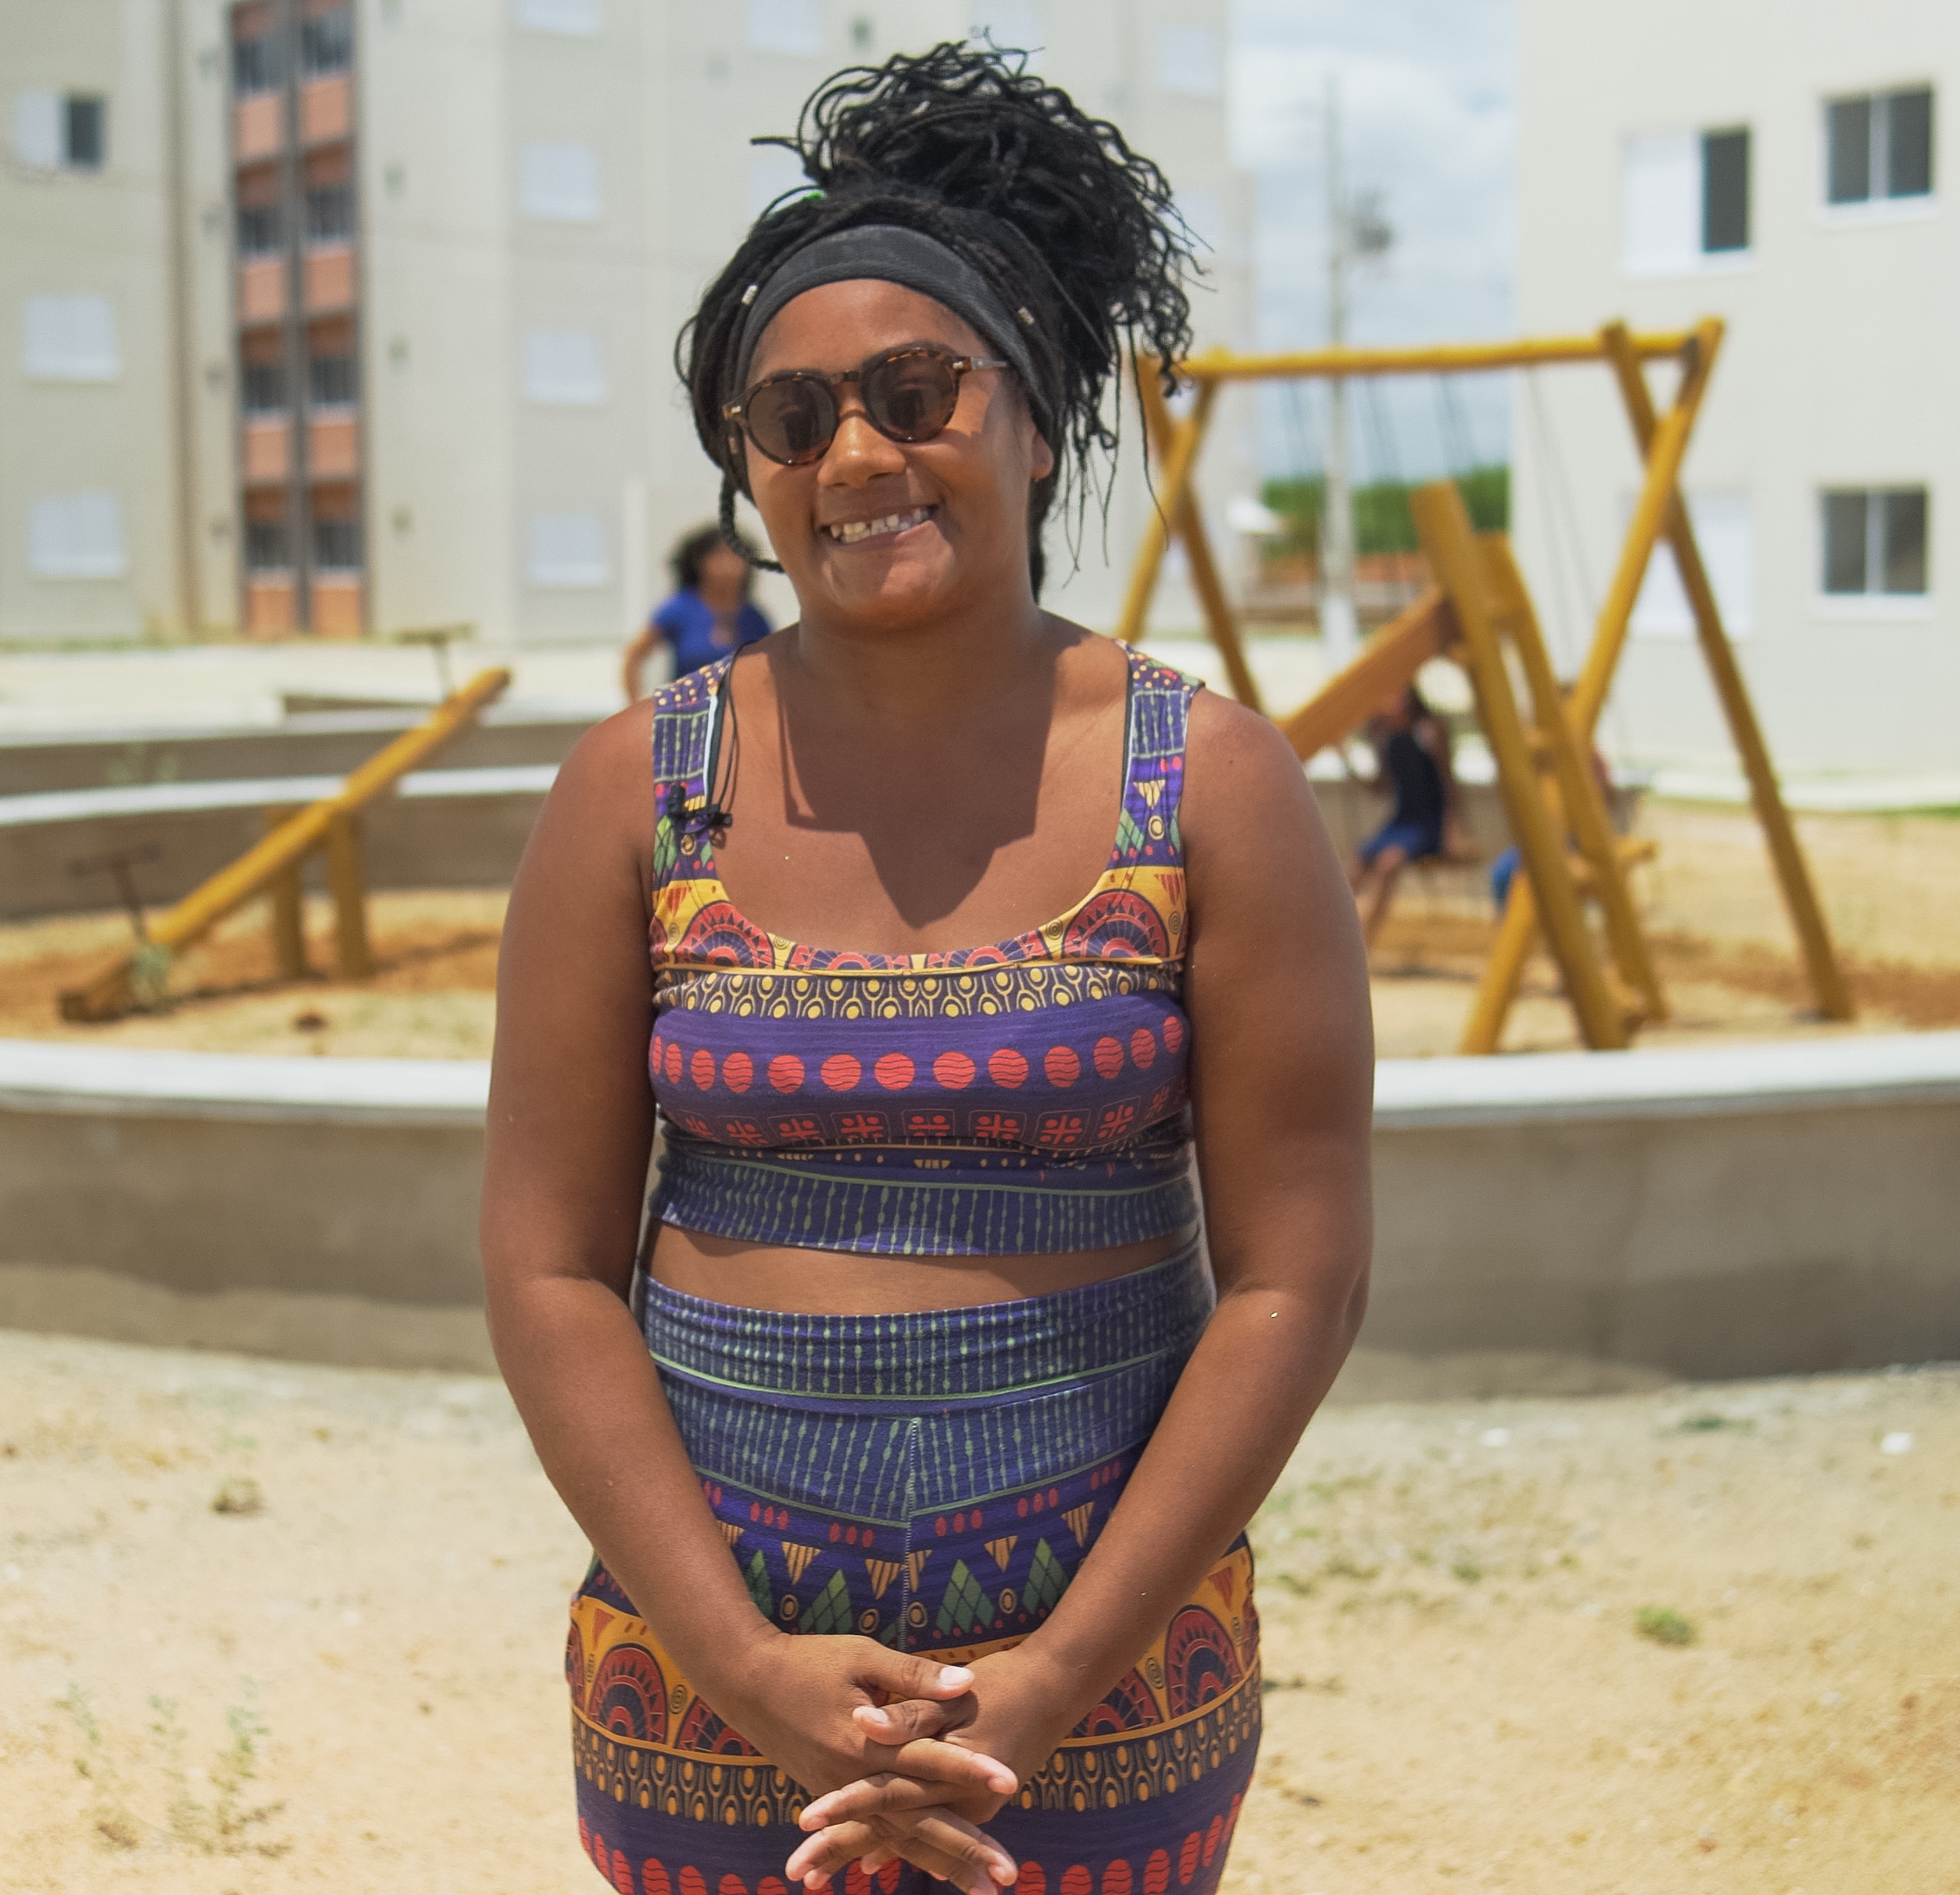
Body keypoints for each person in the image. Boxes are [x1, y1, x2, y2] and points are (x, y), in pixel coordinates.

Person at [481, 46, 1372, 1895]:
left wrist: (1051, 1678)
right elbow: (549, 1267)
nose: (858, 458)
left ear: (1036, 418)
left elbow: (1297, 1277)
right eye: (792, 417)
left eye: (915, 393)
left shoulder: (1207, 783)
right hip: (704, 1696)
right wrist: (743, 1663)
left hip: (1102, 1702)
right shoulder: (634, 791)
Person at [1346, 683, 1459, 947]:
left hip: (1428, 823)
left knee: (1388, 864)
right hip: (1401, 820)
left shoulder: (1428, 731)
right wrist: (1346, 760)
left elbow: (1448, 783)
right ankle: (1339, 937)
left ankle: (1363, 943)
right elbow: (1379, 787)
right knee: (1355, 870)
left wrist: (1452, 833)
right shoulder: (1386, 738)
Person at [624, 526, 777, 700]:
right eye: (720, 555)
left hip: (741, 711)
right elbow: (634, 656)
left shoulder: (755, 618)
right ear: (700, 562)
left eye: (737, 555)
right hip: (687, 711)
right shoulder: (680, 609)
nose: (729, 564)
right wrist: (634, 705)